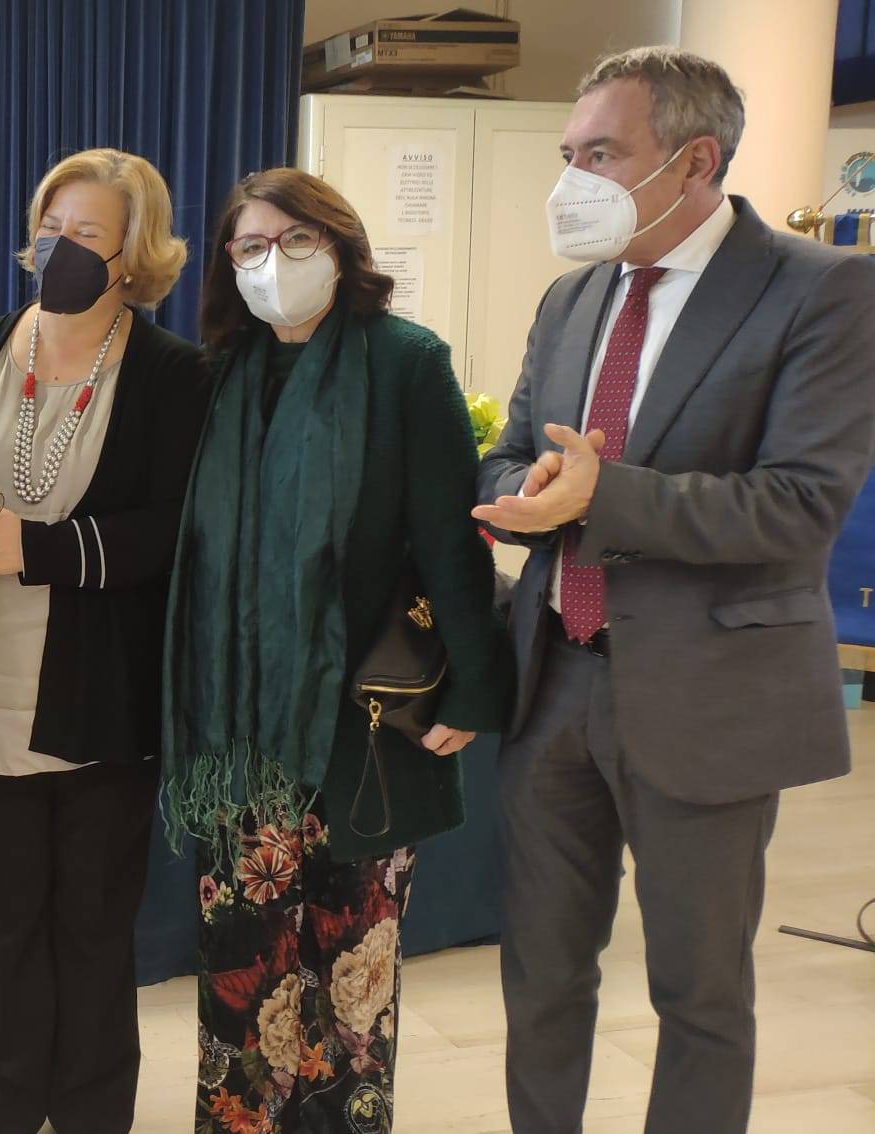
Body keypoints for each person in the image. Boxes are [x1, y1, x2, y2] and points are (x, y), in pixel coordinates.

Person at [475, 47, 875, 1134]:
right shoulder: (573, 296)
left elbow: (800, 505)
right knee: (540, 976)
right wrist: (522, 489)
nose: (574, 180)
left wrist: (601, 498)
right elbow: (509, 452)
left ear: (695, 160)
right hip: (553, 682)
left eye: (602, 154)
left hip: (710, 693)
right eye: (569, 154)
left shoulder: (821, 288)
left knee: (699, 994)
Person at [166, 167, 513, 1134]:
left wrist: (473, 689)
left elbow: (450, 540)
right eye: (250, 246)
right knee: (243, 976)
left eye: (296, 241)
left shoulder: (404, 361)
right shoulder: (218, 375)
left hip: (364, 722)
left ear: (342, 248)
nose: (272, 264)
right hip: (241, 736)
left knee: (350, 978)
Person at [0, 147, 209, 1134]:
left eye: (88, 233)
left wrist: (35, 549)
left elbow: (175, 530)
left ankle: (92, 1112)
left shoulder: (174, 375)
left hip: (101, 697)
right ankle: (1, 1110)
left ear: (136, 253)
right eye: (51, 228)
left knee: (92, 927)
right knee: (2, 926)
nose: (62, 248)